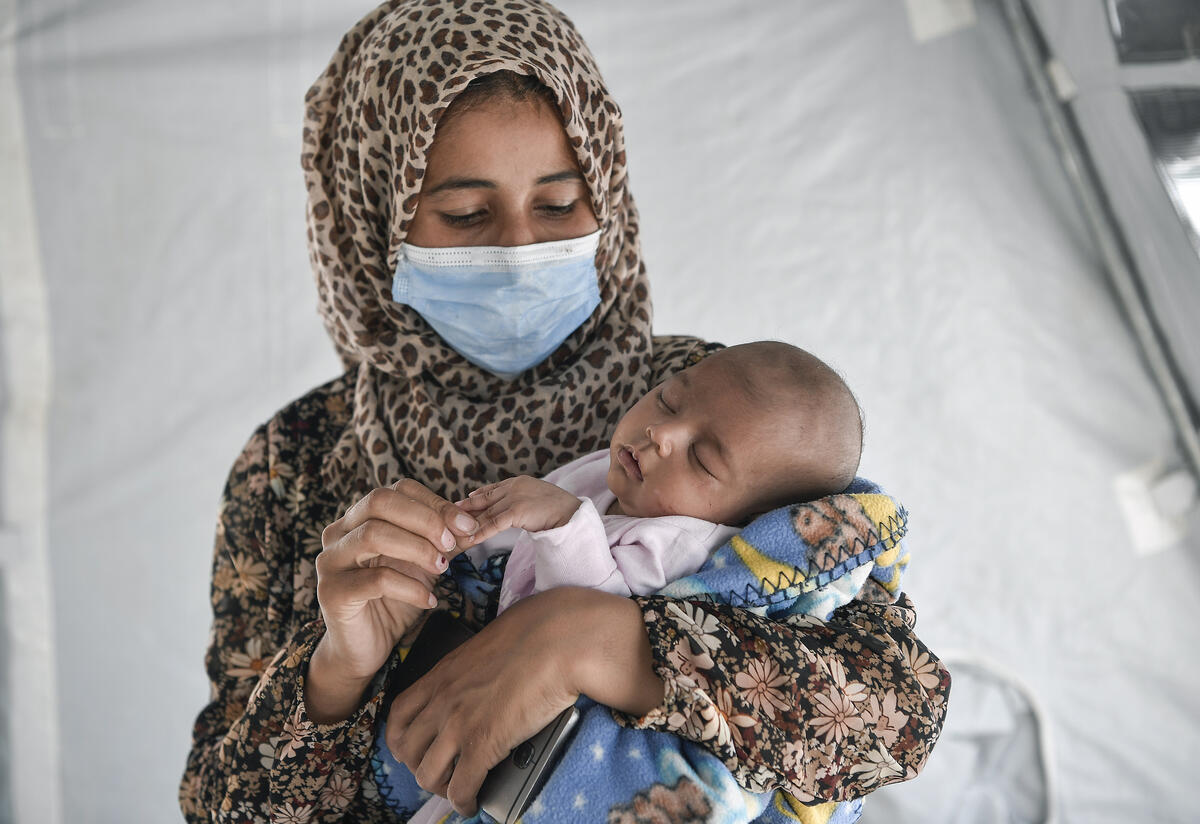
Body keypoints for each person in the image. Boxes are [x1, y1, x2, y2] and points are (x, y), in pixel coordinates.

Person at [178, 2, 950, 823]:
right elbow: (219, 810)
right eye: (466, 215)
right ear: (371, 220)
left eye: (557, 204)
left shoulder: (701, 393)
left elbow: (893, 719)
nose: (516, 250)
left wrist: (591, 639)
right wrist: (334, 675)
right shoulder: (296, 463)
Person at [458, 340, 865, 613]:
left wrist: (564, 525)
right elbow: (511, 528)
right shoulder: (612, 466)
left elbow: (588, 619)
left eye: (702, 459)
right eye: (668, 401)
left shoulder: (677, 545)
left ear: (747, 518)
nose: (661, 434)